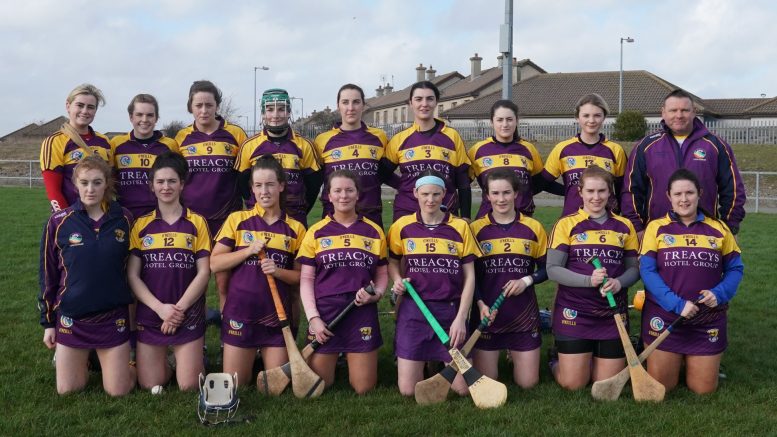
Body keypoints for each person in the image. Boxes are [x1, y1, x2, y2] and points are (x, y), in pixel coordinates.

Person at [639, 168, 743, 394]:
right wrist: (677, 304)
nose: (684, 199)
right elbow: (647, 271)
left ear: (699, 194)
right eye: (678, 194)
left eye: (689, 193)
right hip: (666, 317)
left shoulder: (719, 228)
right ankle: (679, 360)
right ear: (668, 196)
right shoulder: (656, 227)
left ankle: (693, 361)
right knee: (663, 386)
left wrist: (719, 293)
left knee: (703, 389)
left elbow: (735, 268)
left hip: (707, 318)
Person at [38, 156, 136, 396]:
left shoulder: (124, 219)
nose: (90, 189)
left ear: (106, 184)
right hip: (72, 319)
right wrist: (48, 323)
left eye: (97, 182)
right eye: (84, 183)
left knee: (118, 391)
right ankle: (86, 358)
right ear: (75, 184)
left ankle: (132, 365)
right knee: (68, 390)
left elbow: (134, 271)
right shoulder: (58, 222)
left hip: (112, 318)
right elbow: (48, 275)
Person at [210, 155, 306, 386]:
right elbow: (215, 263)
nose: (264, 191)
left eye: (270, 184)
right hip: (241, 313)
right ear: (252, 188)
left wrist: (278, 271)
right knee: (236, 383)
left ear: (281, 186)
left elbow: (301, 277)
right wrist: (247, 251)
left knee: (276, 387)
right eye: (259, 185)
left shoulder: (296, 228)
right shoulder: (237, 220)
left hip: (276, 318)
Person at [387, 170, 481, 396]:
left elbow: (470, 276)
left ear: (444, 194)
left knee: (463, 390)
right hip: (414, 311)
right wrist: (397, 280)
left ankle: (439, 364)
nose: (430, 199)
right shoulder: (402, 226)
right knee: (408, 390)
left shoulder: (460, 227)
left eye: (436, 194)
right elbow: (393, 262)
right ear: (415, 193)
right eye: (425, 194)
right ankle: (428, 364)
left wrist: (461, 318)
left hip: (449, 311)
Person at [546, 165, 640, 390]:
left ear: (609, 192)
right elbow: (553, 269)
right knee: (573, 384)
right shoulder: (566, 224)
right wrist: (588, 281)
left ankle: (588, 357)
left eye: (602, 191)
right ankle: (555, 359)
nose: (596, 197)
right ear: (580, 192)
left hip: (612, 313)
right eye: (590, 191)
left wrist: (619, 283)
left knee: (603, 384)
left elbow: (634, 270)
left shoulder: (624, 226)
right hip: (574, 312)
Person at [297, 170, 387, 394]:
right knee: (321, 384)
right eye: (337, 190)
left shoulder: (374, 231)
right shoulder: (316, 232)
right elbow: (306, 279)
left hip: (361, 311)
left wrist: (376, 294)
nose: (343, 196)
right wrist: (314, 319)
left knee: (364, 387)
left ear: (358, 194)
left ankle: (350, 357)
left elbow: (382, 274)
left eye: (349, 190)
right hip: (326, 313)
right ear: (329, 195)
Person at [127, 152, 211, 391]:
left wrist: (177, 311)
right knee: (150, 383)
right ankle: (171, 361)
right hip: (152, 312)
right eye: (160, 181)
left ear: (182, 184)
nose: (166, 187)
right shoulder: (141, 225)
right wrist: (160, 309)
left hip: (186, 312)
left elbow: (204, 273)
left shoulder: (197, 222)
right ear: (151, 186)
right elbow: (132, 275)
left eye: (172, 181)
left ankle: (188, 360)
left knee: (189, 386)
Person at [621, 89, 746, 236]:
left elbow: (733, 189)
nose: (679, 115)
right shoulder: (646, 146)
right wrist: (637, 228)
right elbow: (631, 190)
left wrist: (730, 226)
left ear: (694, 112)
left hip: (705, 235)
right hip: (658, 235)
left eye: (684, 110)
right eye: (673, 110)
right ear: (663, 112)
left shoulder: (716, 145)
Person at [469, 169, 548, 388]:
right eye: (495, 193)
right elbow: (469, 276)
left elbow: (547, 269)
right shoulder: (475, 229)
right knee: (487, 381)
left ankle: (520, 353)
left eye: (506, 192)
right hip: (487, 314)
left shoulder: (533, 227)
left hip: (522, 314)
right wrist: (480, 303)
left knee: (527, 383)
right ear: (487, 196)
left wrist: (526, 281)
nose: (501, 199)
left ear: (516, 194)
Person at [175, 80, 246, 311]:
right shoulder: (181, 138)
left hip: (226, 219)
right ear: (190, 107)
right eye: (198, 105)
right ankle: (197, 328)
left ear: (217, 106)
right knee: (195, 280)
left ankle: (228, 329)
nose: (204, 110)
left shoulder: (235, 134)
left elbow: (245, 175)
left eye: (209, 105)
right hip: (193, 220)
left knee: (224, 282)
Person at [382, 81, 472, 221]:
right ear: (410, 103)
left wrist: (466, 215)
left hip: (444, 212)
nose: (424, 104)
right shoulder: (399, 139)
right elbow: (382, 173)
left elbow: (463, 180)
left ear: (436, 102)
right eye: (418, 99)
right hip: (407, 212)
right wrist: (403, 185)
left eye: (430, 99)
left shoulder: (452, 136)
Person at [235, 88, 322, 228]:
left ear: (289, 112)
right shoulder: (249, 146)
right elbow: (242, 184)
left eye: (281, 109)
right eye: (270, 109)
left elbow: (313, 185)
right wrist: (253, 205)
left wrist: (300, 210)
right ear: (263, 113)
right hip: (259, 219)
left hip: (295, 218)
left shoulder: (305, 145)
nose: (275, 115)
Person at [314, 84, 394, 228]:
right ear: (338, 106)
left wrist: (411, 187)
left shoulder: (379, 137)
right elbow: (315, 180)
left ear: (363, 105)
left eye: (356, 102)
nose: (351, 108)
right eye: (345, 102)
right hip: (334, 215)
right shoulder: (322, 140)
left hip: (370, 214)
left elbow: (384, 174)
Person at [468, 100, 559, 219]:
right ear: (492, 122)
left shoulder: (528, 149)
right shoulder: (477, 150)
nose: (505, 124)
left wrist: (573, 190)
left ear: (517, 121)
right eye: (500, 120)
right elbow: (462, 184)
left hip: (523, 219)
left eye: (509, 119)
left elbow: (541, 183)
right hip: (487, 221)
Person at [541, 94, 627, 216]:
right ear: (577, 117)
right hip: (572, 220)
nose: (591, 120)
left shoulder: (615, 150)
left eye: (597, 115)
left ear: (604, 117)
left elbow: (623, 190)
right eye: (586, 115)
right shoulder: (563, 149)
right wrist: (568, 191)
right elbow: (543, 182)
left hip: (607, 221)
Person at [40, 84, 112, 212]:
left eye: (90, 107)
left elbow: (109, 183)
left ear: (95, 111)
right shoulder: (55, 141)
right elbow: (53, 191)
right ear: (68, 106)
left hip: (102, 217)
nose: (85, 111)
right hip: (73, 216)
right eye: (80, 105)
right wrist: (67, 218)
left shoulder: (104, 141)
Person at [111, 94, 179, 219]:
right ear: (131, 117)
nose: (144, 119)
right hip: (124, 216)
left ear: (156, 118)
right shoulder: (116, 144)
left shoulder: (170, 145)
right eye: (139, 114)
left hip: (159, 216)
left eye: (150, 115)